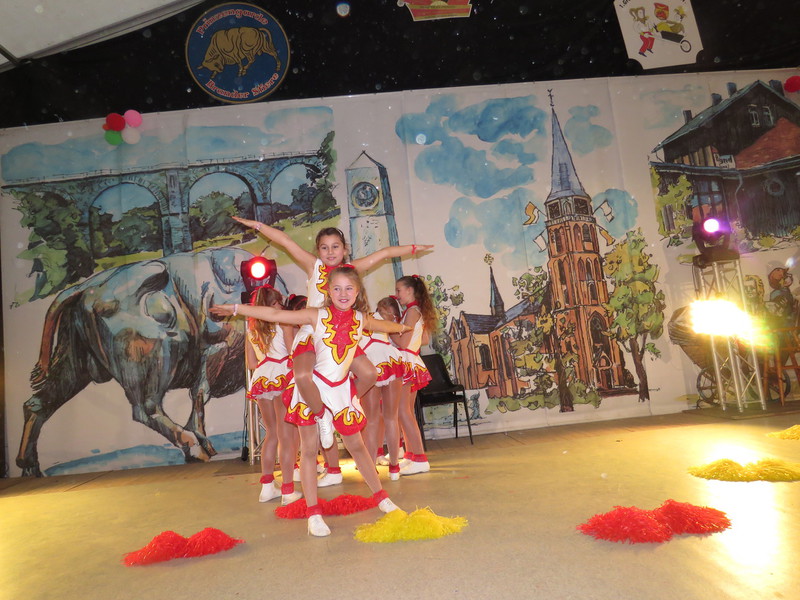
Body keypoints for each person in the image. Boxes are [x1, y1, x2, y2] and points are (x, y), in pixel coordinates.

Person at [211, 266, 412, 537]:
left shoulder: (359, 319)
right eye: (337, 288)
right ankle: (313, 513)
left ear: (357, 292)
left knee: (357, 446)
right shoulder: (317, 315)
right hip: (313, 391)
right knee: (308, 450)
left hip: (340, 391)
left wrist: (403, 327)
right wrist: (236, 308)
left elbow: (382, 326)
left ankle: (382, 498)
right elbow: (275, 314)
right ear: (328, 291)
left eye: (349, 288)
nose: (343, 293)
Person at [233, 216, 433, 451]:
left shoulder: (351, 270)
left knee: (370, 374)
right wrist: (257, 226)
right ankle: (322, 414)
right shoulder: (314, 266)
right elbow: (285, 241)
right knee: (303, 376)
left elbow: (384, 253)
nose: (330, 252)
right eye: (324, 247)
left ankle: (342, 403)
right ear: (318, 251)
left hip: (342, 335)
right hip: (314, 333)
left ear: (344, 249)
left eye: (335, 246)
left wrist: (413, 248)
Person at [245, 286, 302, 505]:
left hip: (262, 376)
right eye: (279, 302)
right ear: (274, 303)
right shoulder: (283, 322)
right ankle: (287, 490)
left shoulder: (251, 329)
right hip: (282, 374)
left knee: (271, 434)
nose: (281, 306)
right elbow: (292, 351)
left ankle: (267, 488)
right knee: (286, 435)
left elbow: (251, 363)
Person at [286, 294, 342, 488]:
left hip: (315, 386)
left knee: (318, 432)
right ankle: (330, 469)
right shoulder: (308, 332)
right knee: (316, 434)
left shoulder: (309, 333)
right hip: (314, 385)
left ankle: (333, 470)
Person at [392, 275, 437, 476]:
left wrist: (387, 328)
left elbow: (403, 343)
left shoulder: (411, 311)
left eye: (399, 290)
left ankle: (419, 458)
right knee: (405, 412)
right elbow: (424, 339)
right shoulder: (416, 311)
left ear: (409, 290)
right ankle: (411, 455)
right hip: (412, 360)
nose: (396, 295)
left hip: (407, 362)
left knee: (403, 412)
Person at [360, 296, 405, 480]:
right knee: (391, 417)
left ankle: (371, 469)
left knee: (371, 421)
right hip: (391, 360)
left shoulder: (362, 318)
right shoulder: (386, 322)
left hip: (369, 363)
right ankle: (394, 468)